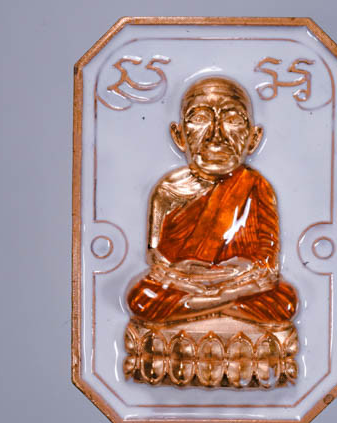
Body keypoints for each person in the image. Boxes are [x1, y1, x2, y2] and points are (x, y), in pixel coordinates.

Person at [127, 76, 298, 323]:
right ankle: (222, 306)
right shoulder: (168, 190)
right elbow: (156, 260)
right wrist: (185, 274)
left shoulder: (256, 186)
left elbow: (268, 265)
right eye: (200, 119)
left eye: (232, 120)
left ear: (253, 138)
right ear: (179, 135)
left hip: (239, 283)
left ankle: (201, 308)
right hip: (188, 284)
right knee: (143, 298)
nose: (216, 135)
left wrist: (235, 275)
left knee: (285, 300)